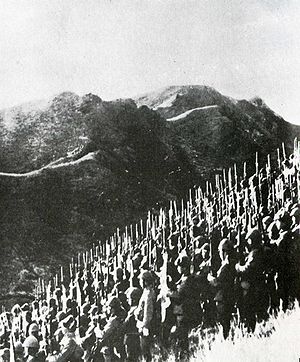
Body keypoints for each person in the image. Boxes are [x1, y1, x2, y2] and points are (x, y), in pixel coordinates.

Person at [135, 271, 156, 362]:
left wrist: (145, 326)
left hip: (146, 326)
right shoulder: (146, 292)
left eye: (141, 280)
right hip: (143, 324)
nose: (140, 282)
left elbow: (148, 312)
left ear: (145, 281)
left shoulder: (148, 294)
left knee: (146, 351)